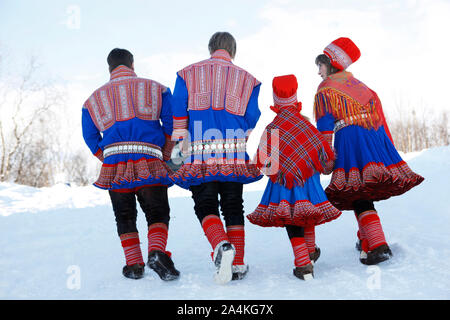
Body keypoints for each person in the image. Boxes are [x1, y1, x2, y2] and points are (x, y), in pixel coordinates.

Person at [313, 37, 424, 265]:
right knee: (360, 190)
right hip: (374, 140)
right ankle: (366, 239)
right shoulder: (364, 88)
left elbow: (324, 128)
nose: (319, 72)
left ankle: (378, 244)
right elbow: (381, 122)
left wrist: (325, 160)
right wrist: (388, 150)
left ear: (331, 62)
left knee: (357, 190)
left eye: (320, 66)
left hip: (351, 141)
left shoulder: (327, 88)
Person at [170, 32, 262, 284]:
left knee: (205, 204)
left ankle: (221, 245)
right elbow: (252, 115)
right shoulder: (249, 80)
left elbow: (178, 106)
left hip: (199, 152)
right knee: (233, 204)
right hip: (232, 152)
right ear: (233, 50)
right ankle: (239, 263)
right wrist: (240, 135)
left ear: (210, 48)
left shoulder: (186, 73)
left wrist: (181, 140)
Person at [82, 48, 180, 280]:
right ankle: (156, 252)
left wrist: (106, 158)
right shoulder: (158, 89)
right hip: (149, 159)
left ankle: (134, 265)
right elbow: (171, 122)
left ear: (109, 68)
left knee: (124, 215)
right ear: (132, 64)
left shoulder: (92, 100)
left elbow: (90, 136)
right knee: (157, 211)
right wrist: (166, 152)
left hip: (115, 165)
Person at [247, 74, 341, 280]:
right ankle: (309, 253)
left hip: (283, 186)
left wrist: (280, 169)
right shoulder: (307, 126)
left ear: (275, 99)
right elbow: (325, 156)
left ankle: (303, 263)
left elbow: (264, 164)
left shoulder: (273, 128)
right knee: (307, 213)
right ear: (295, 95)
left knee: (292, 219)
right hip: (309, 183)